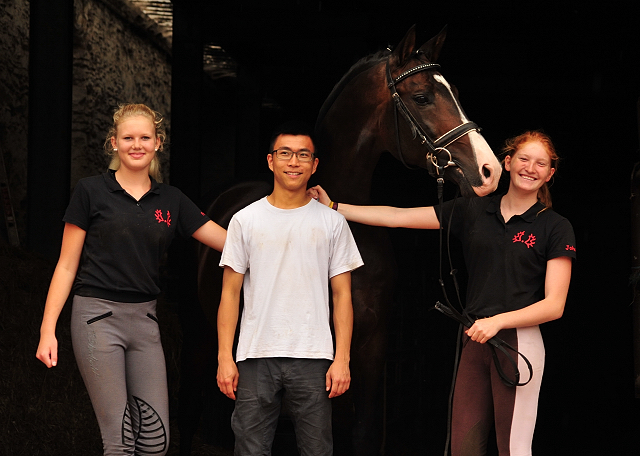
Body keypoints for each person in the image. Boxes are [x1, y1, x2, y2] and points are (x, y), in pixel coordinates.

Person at [308, 130, 576, 456]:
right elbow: (398, 217)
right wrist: (334, 206)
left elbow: (555, 305)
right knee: (464, 447)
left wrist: (498, 322)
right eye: (524, 159)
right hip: (474, 341)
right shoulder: (473, 211)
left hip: (518, 344)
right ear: (507, 162)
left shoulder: (555, 226)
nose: (530, 168)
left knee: (514, 448)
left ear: (550, 173)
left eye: (540, 164)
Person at [35, 103, 226, 456]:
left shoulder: (173, 199)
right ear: (113, 143)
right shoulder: (90, 191)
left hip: (145, 322)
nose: (136, 144)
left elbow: (232, 243)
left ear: (158, 143)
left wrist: (294, 220)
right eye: (127, 138)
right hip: (97, 318)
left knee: (156, 444)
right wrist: (48, 329)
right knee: (119, 441)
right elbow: (65, 265)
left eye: (144, 137)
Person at [216, 121, 363, 455]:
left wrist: (343, 358)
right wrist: (225, 355)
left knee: (317, 449)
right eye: (285, 154)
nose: (293, 162)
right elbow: (229, 294)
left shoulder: (332, 222)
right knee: (250, 448)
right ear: (271, 161)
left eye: (302, 155)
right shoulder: (245, 220)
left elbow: (342, 295)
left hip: (314, 356)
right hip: (255, 355)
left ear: (314, 165)